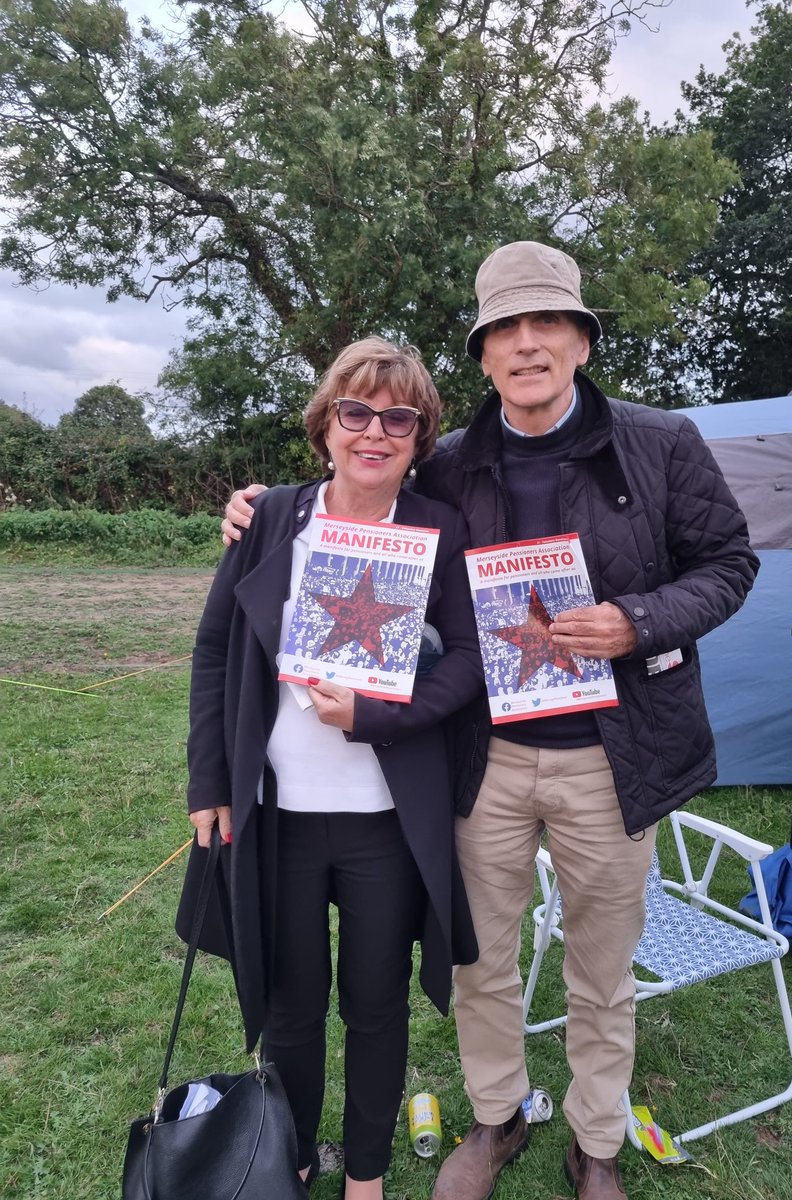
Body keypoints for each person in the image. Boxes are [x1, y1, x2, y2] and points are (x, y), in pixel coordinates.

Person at [222, 242, 760, 1200]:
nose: (526, 344)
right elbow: (360, 492)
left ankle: (596, 1141)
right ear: (481, 354)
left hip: (614, 755)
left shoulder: (662, 441)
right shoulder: (454, 461)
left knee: (602, 966)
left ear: (581, 340)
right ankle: (497, 1117)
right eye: (505, 328)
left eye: (546, 322)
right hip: (484, 757)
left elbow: (729, 566)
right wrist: (265, 509)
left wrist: (640, 621)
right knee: (482, 957)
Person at [180, 337, 484, 1200]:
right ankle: (299, 1153)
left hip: (385, 817)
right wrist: (209, 782)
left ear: (421, 437)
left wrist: (386, 713)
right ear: (327, 425)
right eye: (357, 412)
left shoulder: (437, 528)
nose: (375, 432)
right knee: (291, 1005)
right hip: (276, 813)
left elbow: (466, 659)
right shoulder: (272, 517)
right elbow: (212, 651)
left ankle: (369, 1172)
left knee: (377, 1004)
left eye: (400, 417)